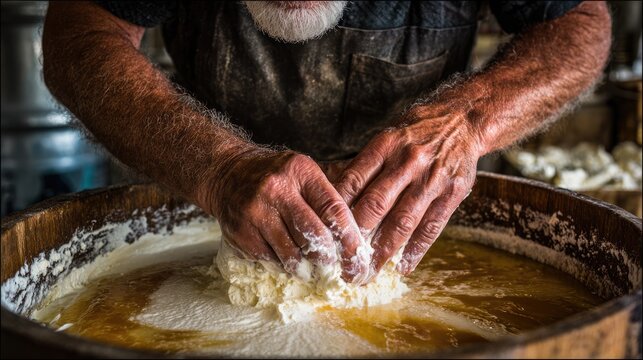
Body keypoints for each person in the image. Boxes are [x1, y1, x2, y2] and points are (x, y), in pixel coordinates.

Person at [42, 1, 611, 284]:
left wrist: (466, 122)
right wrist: (217, 169)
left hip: (425, 220)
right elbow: (80, 30)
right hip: (198, 206)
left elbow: (582, 22)